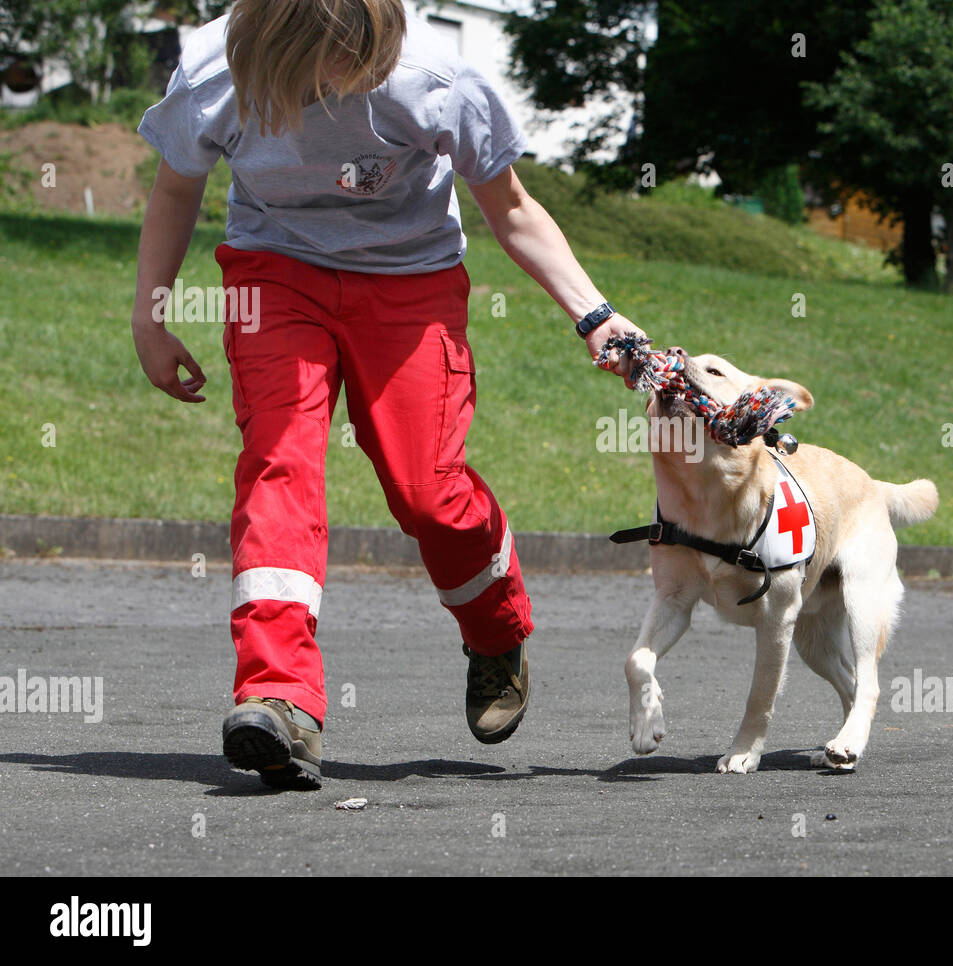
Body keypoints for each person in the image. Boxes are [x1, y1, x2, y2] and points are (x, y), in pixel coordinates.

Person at [130, 0, 645, 790]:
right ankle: (279, 698)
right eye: (342, 62)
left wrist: (596, 316)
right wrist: (152, 314)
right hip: (275, 273)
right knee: (279, 463)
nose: (363, 76)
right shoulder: (214, 71)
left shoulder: (437, 81)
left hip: (410, 282)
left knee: (428, 491)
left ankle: (494, 628)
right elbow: (174, 194)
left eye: (373, 55)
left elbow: (511, 209)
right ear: (283, 44)